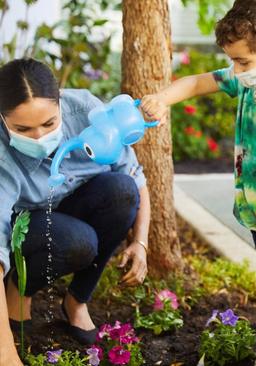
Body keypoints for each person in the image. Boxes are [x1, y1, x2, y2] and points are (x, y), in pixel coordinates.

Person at [139, 1, 256, 364]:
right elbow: (196, 82)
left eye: (243, 62)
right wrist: (162, 99)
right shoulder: (249, 81)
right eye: (234, 61)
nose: (236, 70)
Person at [0, 59, 151, 365]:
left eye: (48, 123)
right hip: (27, 227)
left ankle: (77, 300)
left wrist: (141, 242)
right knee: (77, 241)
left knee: (121, 191)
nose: (39, 137)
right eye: (22, 129)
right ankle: (19, 287)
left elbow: (136, 178)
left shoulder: (85, 111)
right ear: (3, 120)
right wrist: (6, 355)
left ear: (60, 103)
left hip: (74, 205)